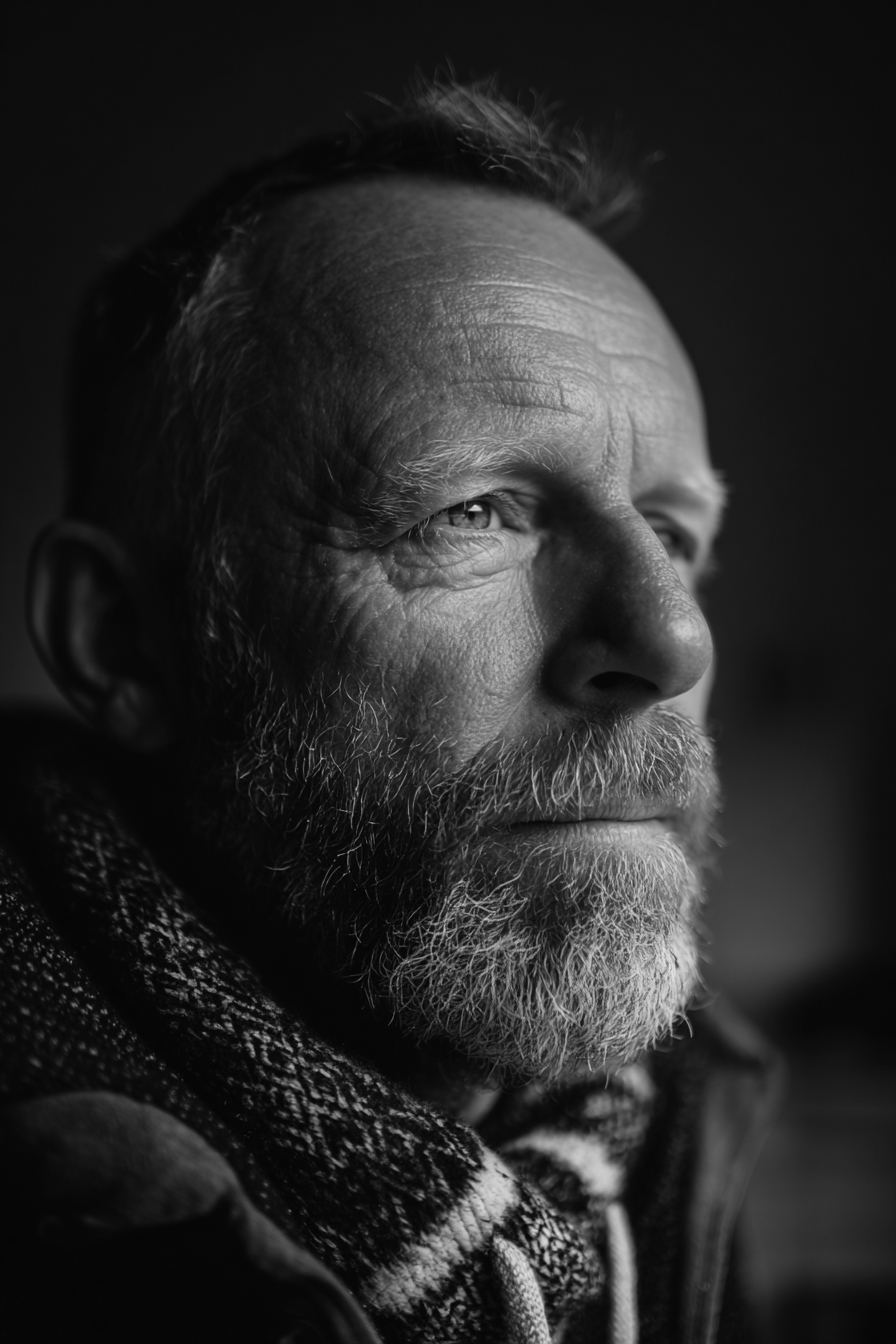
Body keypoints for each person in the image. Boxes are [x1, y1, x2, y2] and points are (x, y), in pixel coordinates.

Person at [0, 78, 780, 1343]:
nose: (669, 641)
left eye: (673, 535)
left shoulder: (665, 1128)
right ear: (123, 641)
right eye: (471, 511)